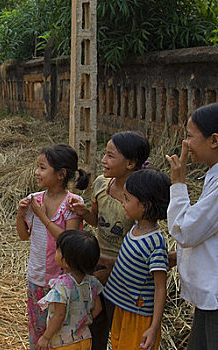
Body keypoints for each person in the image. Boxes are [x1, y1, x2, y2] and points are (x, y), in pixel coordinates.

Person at [67, 130, 150, 350]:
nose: (103, 160)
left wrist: (110, 264)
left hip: (127, 272)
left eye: (111, 156)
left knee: (120, 323)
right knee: (95, 322)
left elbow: (141, 237)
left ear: (131, 163)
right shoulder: (102, 184)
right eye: (105, 154)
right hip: (98, 267)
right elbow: (97, 221)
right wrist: (84, 213)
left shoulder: (140, 197)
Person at [17, 144, 89, 349]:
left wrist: (42, 216)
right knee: (37, 331)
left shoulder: (73, 203)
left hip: (61, 282)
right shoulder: (35, 199)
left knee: (58, 332)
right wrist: (21, 214)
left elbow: (68, 241)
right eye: (37, 167)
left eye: (42, 167)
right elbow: (23, 236)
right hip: (36, 277)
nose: (36, 172)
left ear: (61, 174)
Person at [166, 103, 218, 350]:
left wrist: (178, 183)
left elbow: (186, 231)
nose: (185, 144)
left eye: (189, 136)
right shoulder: (212, 175)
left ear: (214, 140)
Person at [103, 169, 171, 350]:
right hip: (123, 308)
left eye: (126, 199)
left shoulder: (155, 242)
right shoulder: (135, 228)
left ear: (145, 205)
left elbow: (160, 287)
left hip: (139, 316)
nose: (123, 204)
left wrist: (154, 327)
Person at [36, 230, 103, 350]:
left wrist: (46, 337)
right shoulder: (92, 282)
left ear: (66, 261)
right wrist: (81, 321)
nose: (55, 252)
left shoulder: (62, 285)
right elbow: (98, 308)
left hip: (64, 343)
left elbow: (59, 315)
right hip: (85, 339)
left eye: (58, 250)